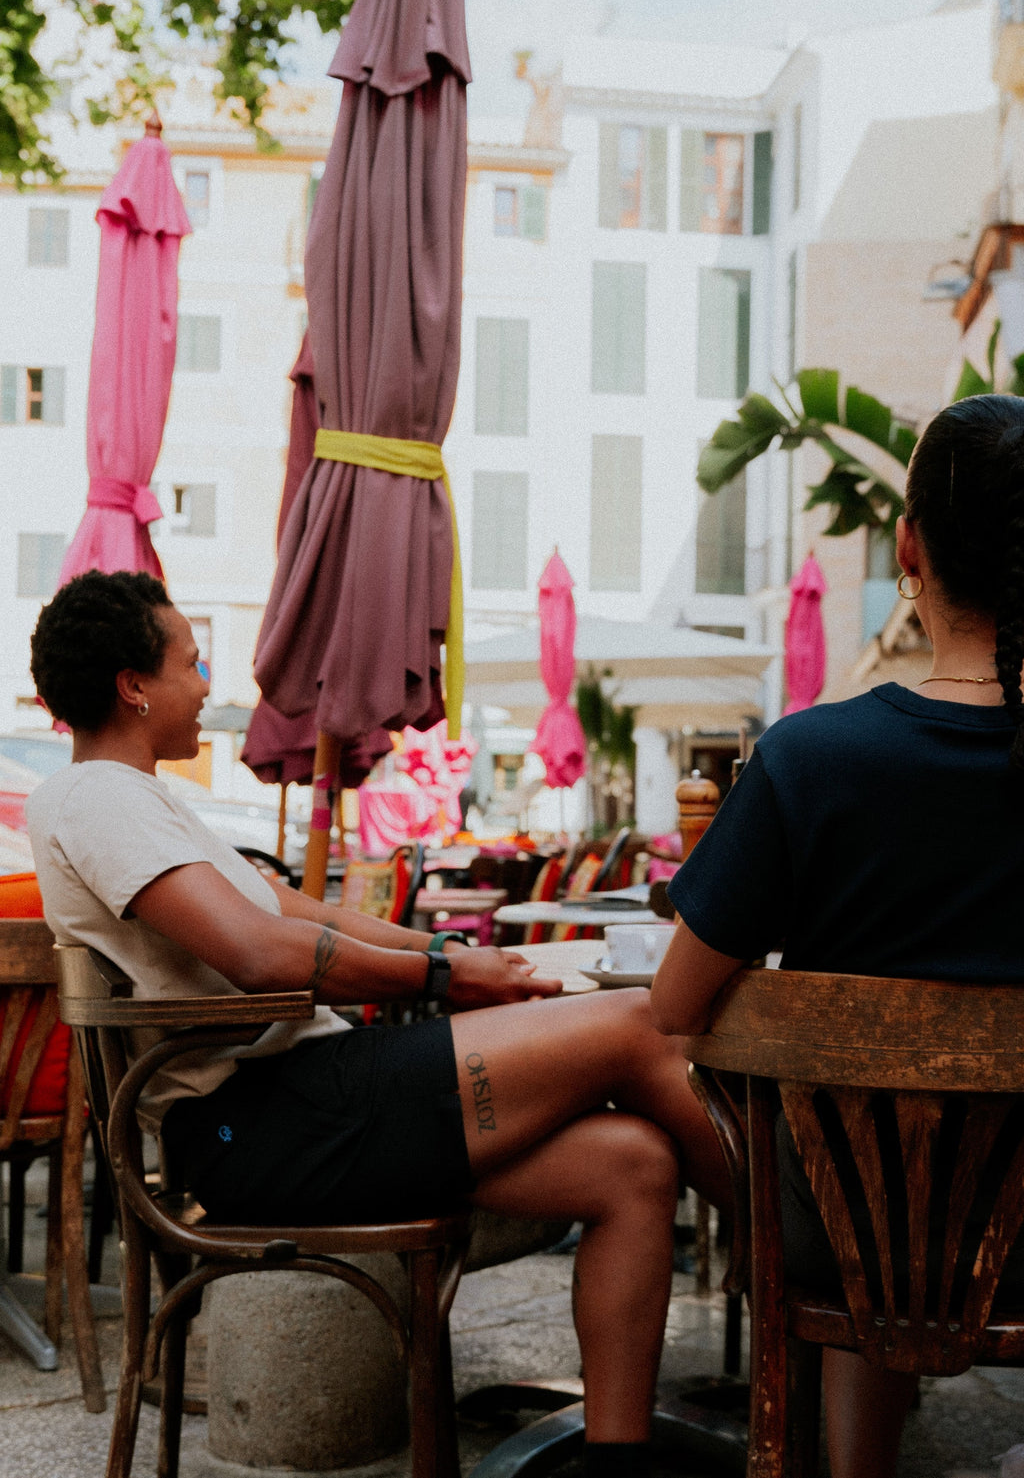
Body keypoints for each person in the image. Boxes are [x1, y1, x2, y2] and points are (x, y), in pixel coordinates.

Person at [26, 569, 727, 1478]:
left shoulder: (144, 800)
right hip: (258, 1121)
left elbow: (300, 913)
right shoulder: (97, 799)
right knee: (640, 1021)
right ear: (134, 684)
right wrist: (443, 976)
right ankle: (807, 1266)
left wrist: (460, 957)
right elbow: (259, 952)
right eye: (193, 663)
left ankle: (616, 1462)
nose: (208, 685)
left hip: (299, 1097)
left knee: (634, 1163)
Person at [650, 391, 1024, 1478]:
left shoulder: (812, 762)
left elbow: (674, 1011)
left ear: (907, 545)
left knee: (855, 1162)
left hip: (840, 1236)